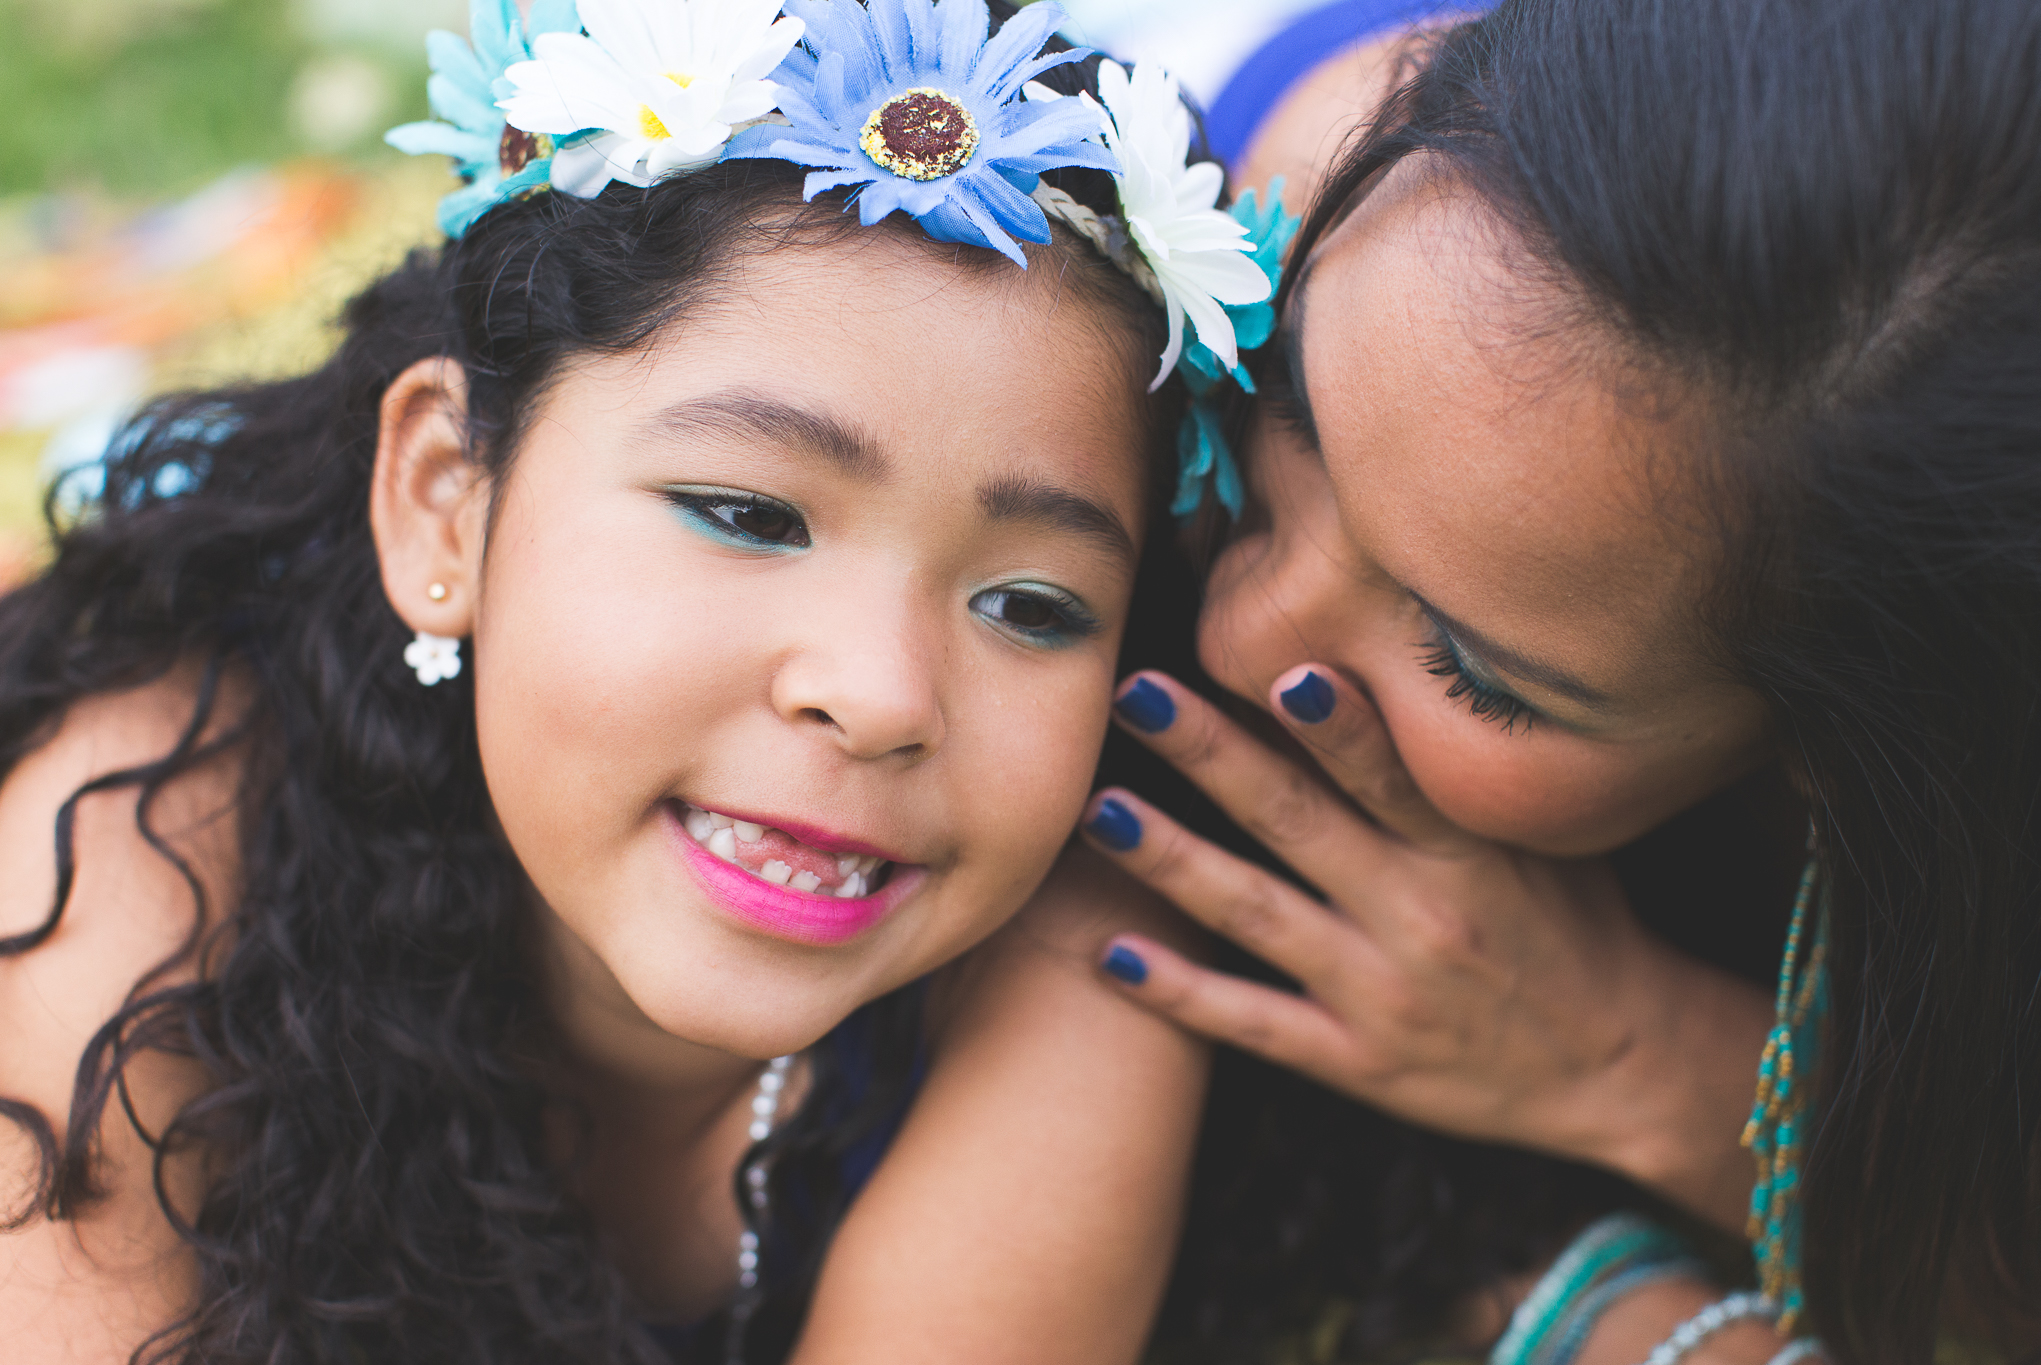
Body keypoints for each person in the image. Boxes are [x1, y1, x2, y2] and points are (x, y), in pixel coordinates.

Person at [0, 1, 1280, 1360]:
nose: (885, 692)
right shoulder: (141, 821)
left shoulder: (1086, 945)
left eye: (1031, 604)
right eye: (748, 513)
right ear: (447, 502)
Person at [1077, 0, 2041, 1361]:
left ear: (1850, 755)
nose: (1240, 634)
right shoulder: (1127, 186)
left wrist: (1630, 1055)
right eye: (1289, 395)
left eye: (1472, 668)